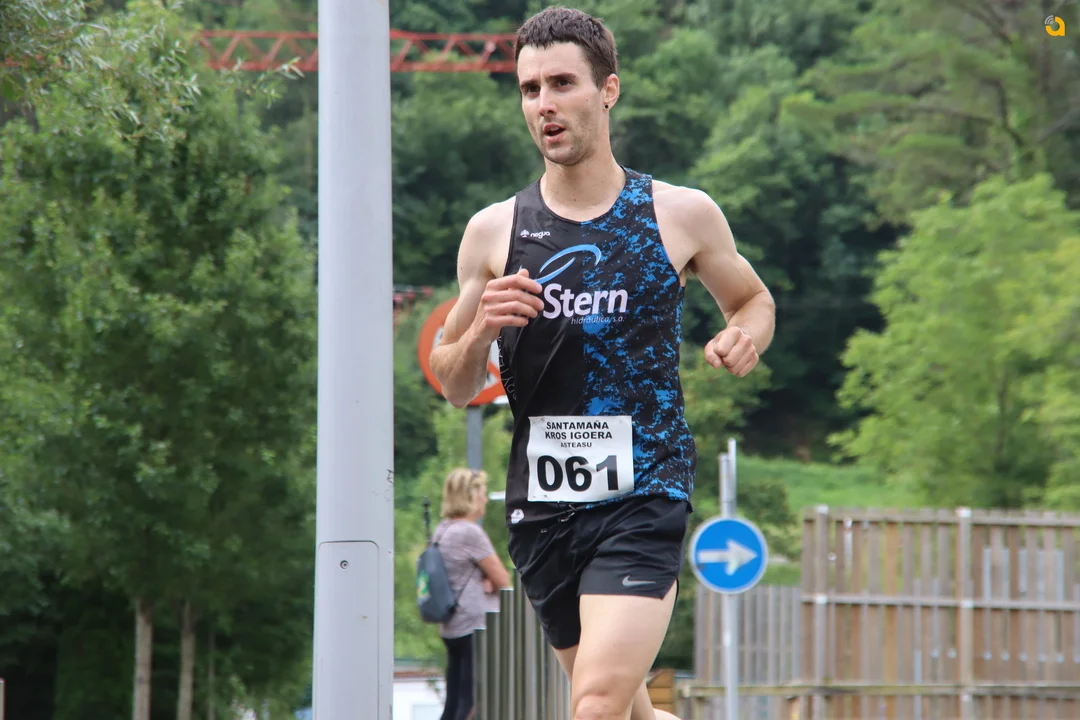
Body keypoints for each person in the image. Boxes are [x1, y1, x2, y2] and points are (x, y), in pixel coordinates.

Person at [428, 6, 776, 719]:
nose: (545, 105)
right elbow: (453, 383)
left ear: (608, 89)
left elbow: (752, 300)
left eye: (562, 83)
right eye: (530, 89)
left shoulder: (678, 213)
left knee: (593, 703)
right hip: (542, 509)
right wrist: (480, 331)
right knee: (628, 711)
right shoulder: (494, 232)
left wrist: (745, 335)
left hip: (644, 494)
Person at [433, 468, 511, 720]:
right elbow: (504, 580)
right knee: (472, 702)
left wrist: (483, 578)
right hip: (475, 625)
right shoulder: (469, 532)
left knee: (454, 700)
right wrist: (488, 580)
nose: (485, 500)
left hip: (452, 625)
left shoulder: (442, 530)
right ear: (470, 496)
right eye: (482, 493)